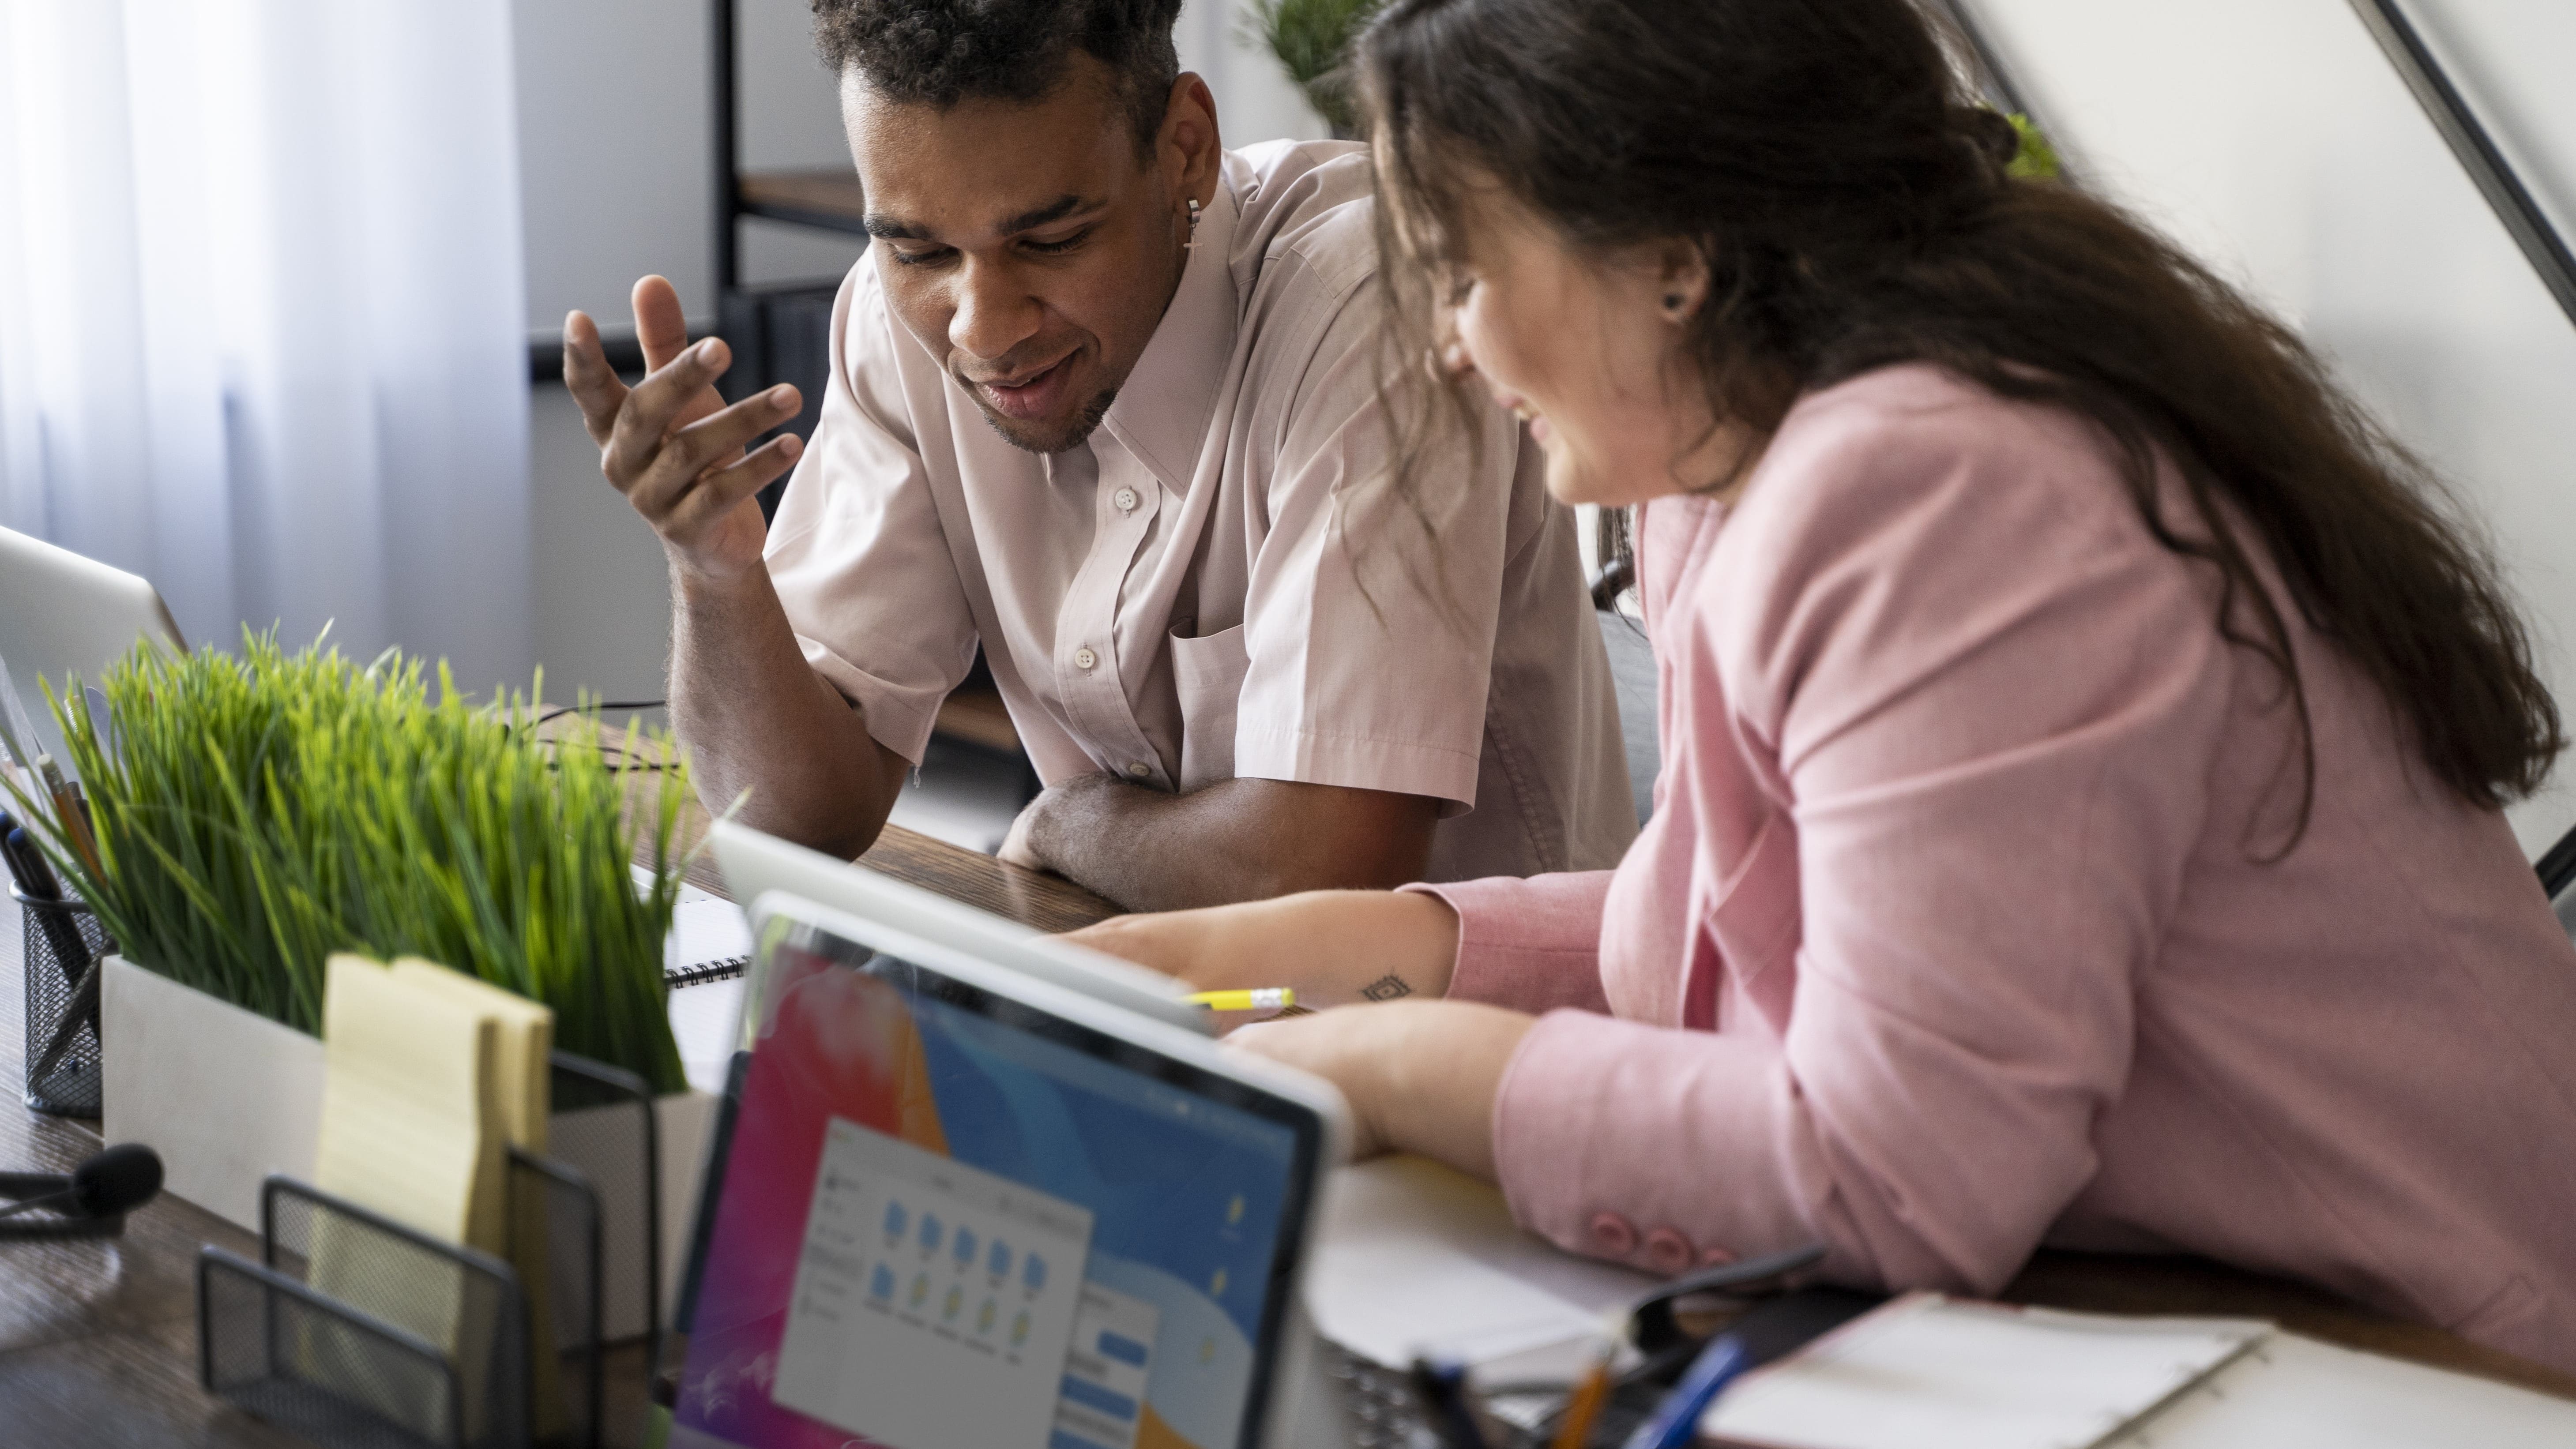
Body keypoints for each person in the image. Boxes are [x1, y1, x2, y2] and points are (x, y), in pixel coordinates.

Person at [1069, 0, 2576, 1370]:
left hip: (2430, 1358)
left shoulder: (1933, 485)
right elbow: (1752, 912)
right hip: (2212, 1318)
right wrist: (1345, 949)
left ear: (1674, 257)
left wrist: (1398, 1060)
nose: (1449, 346)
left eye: (1462, 272)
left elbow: (1893, 1175)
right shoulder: (1733, 457)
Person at [560, 0, 1633, 911]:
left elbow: (1329, 864)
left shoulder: (1368, 293)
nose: (982, 329)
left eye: (1051, 240)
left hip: (1470, 1071)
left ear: (1185, 153)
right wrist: (717, 574)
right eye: (918, 248)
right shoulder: (893, 329)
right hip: (1155, 1015)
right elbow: (794, 818)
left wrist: (1079, 824)